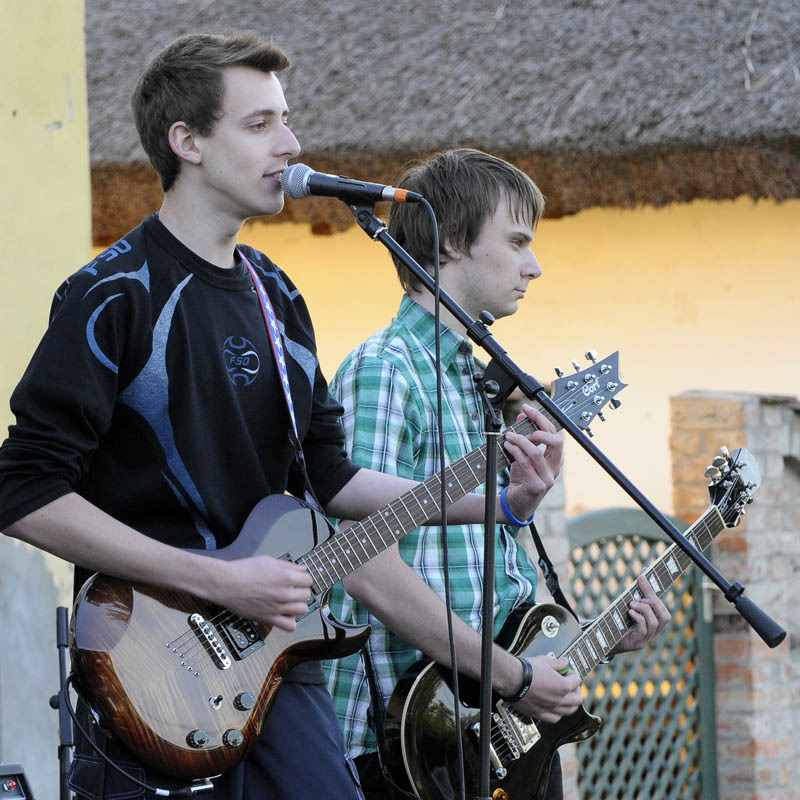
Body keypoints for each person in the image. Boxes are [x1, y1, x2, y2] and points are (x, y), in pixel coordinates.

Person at [0, 38, 563, 800]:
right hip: (149, 662)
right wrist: (219, 579)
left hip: (278, 655)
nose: (291, 145)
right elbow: (24, 491)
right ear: (188, 141)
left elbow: (334, 480)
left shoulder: (278, 296)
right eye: (260, 124)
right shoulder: (113, 294)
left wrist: (498, 503)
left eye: (286, 121)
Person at [323, 149, 672, 798]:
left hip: (496, 734)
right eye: (516, 242)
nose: (534, 266)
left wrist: (594, 640)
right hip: (412, 746)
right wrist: (515, 677)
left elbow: (487, 591)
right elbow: (365, 567)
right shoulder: (386, 370)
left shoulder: (478, 385)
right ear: (451, 243)